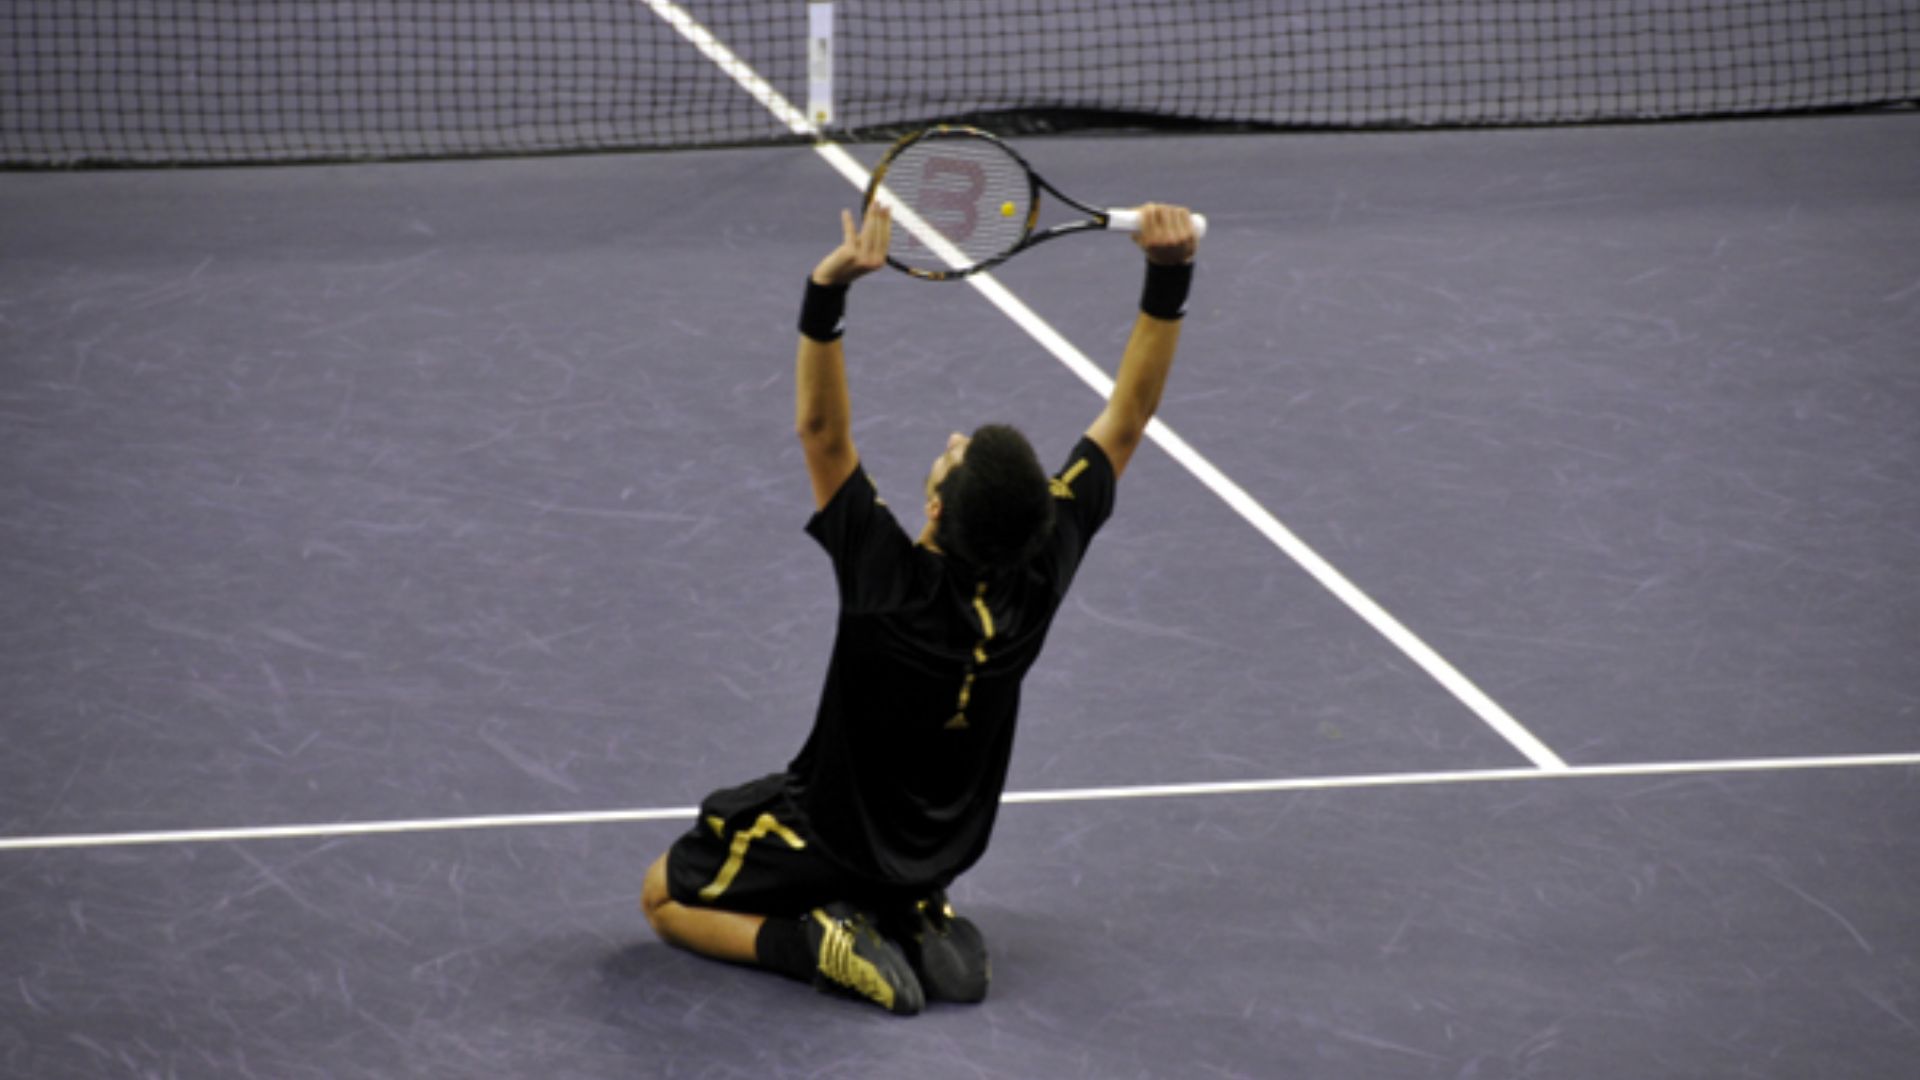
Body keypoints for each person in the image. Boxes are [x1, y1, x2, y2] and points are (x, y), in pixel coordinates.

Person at [641, 201, 1200, 1014]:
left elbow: (820, 432)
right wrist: (1170, 273)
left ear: (936, 511)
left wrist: (825, 292)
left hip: (829, 841)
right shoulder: (1040, 569)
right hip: (943, 848)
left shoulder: (884, 586)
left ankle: (813, 945)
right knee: (893, 859)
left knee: (662, 899)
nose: (949, 441)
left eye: (953, 456)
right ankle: (911, 908)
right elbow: (1129, 414)